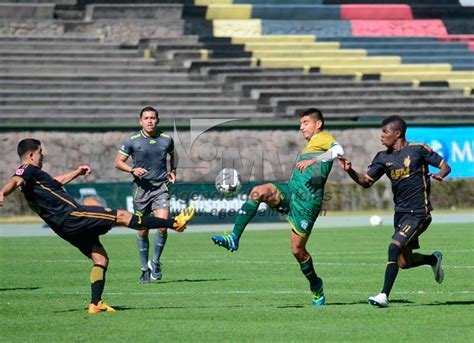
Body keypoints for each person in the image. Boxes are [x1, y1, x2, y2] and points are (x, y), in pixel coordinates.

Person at [0, 138, 194, 313]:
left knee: (100, 259)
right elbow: (15, 181)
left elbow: (55, 182)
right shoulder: (27, 168)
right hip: (74, 216)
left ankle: (95, 303)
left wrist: (76, 172)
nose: (43, 156)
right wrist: (2, 193)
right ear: (32, 154)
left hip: (64, 229)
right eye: (41, 152)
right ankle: (175, 222)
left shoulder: (35, 179)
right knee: (124, 216)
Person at [211, 108, 344, 306]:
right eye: (300, 123)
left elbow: (339, 151)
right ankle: (234, 237)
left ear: (318, 124)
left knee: (298, 251)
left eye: (305, 122)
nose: (301, 127)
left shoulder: (324, 138)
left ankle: (316, 285)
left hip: (308, 202)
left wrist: (315, 160)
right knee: (258, 191)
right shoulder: (310, 145)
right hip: (291, 191)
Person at [338, 115, 451, 307]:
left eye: (385, 132)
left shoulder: (418, 150)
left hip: (419, 213)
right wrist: (350, 170)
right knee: (403, 262)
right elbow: (366, 182)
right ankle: (433, 259)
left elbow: (444, 165)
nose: (381, 136)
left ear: (397, 133)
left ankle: (383, 295)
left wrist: (440, 174)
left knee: (393, 246)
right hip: (400, 214)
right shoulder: (383, 158)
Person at [114, 106, 176, 283]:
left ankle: (155, 262)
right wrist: (132, 169)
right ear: (140, 121)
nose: (150, 121)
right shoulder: (133, 140)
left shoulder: (166, 139)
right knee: (143, 230)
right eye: (146, 118)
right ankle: (144, 269)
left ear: (158, 120)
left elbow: (173, 155)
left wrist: (174, 171)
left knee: (163, 226)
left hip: (161, 188)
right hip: (141, 191)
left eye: (153, 118)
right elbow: (118, 162)